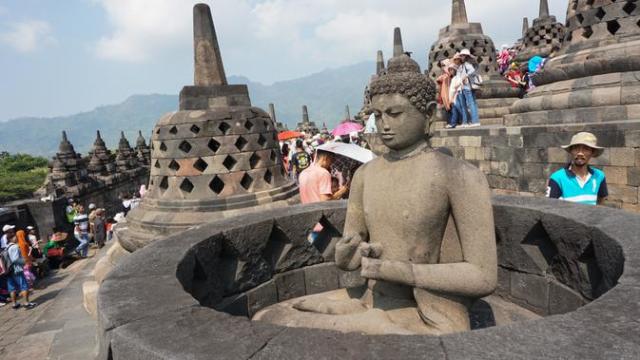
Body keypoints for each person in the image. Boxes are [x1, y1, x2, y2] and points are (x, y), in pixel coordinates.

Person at [547, 132, 608, 206]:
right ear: (571, 151)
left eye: (586, 149)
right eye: (576, 148)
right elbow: (550, 207)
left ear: (592, 152)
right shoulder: (557, 178)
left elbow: (601, 200)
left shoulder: (599, 176)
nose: (580, 153)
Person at [4, 232, 37, 309]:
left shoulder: (6, 247)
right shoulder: (15, 246)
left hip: (9, 270)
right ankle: (26, 303)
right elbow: (15, 259)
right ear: (10, 239)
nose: (16, 238)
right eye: (15, 237)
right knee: (24, 286)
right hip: (16, 270)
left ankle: (14, 304)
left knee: (12, 288)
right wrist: (24, 261)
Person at [455, 50, 481, 127]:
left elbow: (473, 71)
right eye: (461, 55)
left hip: (467, 87)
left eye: (463, 55)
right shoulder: (461, 66)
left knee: (471, 104)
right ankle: (465, 122)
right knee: (464, 105)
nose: (461, 57)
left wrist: (465, 76)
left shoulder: (467, 65)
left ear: (466, 57)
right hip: (462, 88)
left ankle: (475, 121)